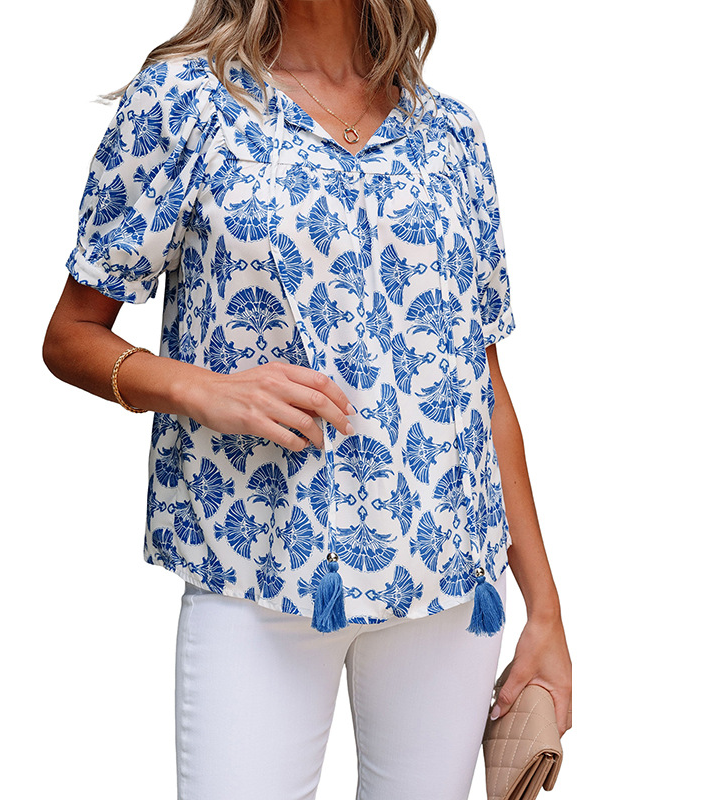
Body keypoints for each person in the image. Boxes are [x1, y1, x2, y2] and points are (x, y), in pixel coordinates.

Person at [43, 1, 572, 797]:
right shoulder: (182, 103)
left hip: (450, 587)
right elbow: (71, 335)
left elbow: (482, 388)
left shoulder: (450, 137)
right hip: (260, 571)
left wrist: (546, 612)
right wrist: (201, 389)